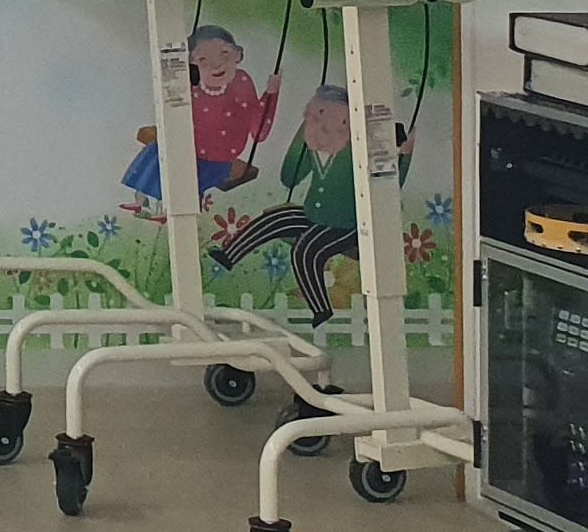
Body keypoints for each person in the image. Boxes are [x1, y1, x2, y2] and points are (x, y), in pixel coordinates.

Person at [211, 72, 406, 321]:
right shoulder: (313, 148)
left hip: (346, 225)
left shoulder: (356, 153)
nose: (324, 128)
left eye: (339, 123)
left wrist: (405, 154)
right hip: (313, 215)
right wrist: (302, 138)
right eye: (317, 117)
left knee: (305, 251)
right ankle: (228, 256)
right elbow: (289, 177)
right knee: (274, 219)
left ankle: (320, 308)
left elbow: (388, 182)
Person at [121, 24, 274, 221]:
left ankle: (167, 210)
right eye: (203, 59)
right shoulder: (192, 85)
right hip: (189, 146)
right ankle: (140, 199)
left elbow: (258, 130)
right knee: (155, 152)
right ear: (191, 65)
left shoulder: (240, 82)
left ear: (238, 55)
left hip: (218, 158)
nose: (216, 65)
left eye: (224, 54)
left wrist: (271, 94)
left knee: (182, 173)